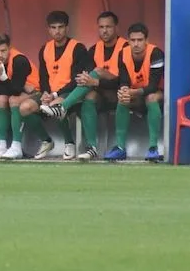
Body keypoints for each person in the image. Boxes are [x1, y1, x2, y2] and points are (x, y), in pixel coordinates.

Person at [21, 10, 92, 160]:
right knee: (25, 108)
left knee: (56, 105)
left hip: (70, 93)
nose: (57, 31)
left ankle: (69, 143)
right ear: (48, 29)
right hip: (51, 93)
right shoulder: (45, 49)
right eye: (53, 28)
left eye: (60, 27)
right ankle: (46, 141)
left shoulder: (78, 48)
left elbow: (77, 80)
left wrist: (54, 95)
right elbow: (43, 77)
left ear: (67, 28)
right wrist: (46, 93)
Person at [66, 11, 128, 161]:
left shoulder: (126, 47)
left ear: (116, 28)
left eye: (108, 27)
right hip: (101, 93)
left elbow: (124, 80)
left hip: (122, 91)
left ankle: (63, 106)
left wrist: (96, 82)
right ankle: (92, 148)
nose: (104, 31)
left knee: (98, 72)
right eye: (101, 27)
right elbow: (89, 77)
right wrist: (89, 81)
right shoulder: (93, 49)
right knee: (89, 96)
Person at [104, 23, 165, 162]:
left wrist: (133, 92)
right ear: (128, 40)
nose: (136, 44)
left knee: (151, 97)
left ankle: (153, 148)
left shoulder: (156, 53)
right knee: (123, 99)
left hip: (158, 93)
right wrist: (124, 90)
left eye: (140, 40)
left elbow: (153, 85)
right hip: (137, 93)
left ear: (146, 40)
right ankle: (120, 148)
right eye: (133, 40)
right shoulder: (123, 53)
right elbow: (124, 80)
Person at [0, 34, 40, 160]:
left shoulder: (19, 60)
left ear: (9, 48)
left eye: (3, 51)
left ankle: (16, 146)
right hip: (18, 90)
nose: (0, 55)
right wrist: (14, 83)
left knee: (14, 100)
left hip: (36, 92)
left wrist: (3, 77)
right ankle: (1, 146)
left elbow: (15, 91)